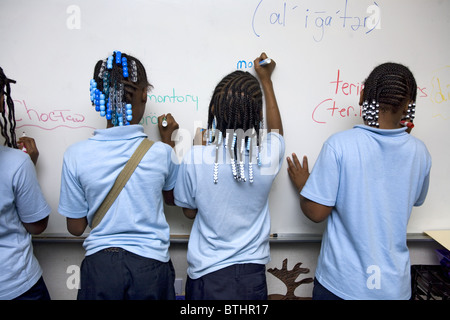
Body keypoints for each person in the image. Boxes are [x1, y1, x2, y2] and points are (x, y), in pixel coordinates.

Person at [287, 62, 432, 300]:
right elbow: (413, 199)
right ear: (409, 105)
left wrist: (306, 185)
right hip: (393, 287)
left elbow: (316, 212)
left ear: (362, 94)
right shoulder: (420, 152)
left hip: (342, 284)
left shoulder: (340, 145)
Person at [58, 51, 179, 300]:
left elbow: (76, 227)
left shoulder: (75, 155)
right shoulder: (161, 154)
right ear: (144, 94)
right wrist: (168, 142)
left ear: (97, 98)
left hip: (100, 270)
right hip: (151, 267)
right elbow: (172, 198)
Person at [174, 52, 285, 300]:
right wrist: (266, 81)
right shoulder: (266, 157)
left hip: (206, 276)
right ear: (257, 116)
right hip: (251, 277)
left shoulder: (195, 157)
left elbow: (189, 212)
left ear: (214, 109)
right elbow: (277, 133)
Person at [0, 67, 51, 300]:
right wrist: (28, 167)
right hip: (16, 284)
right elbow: (37, 225)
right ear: (1, 103)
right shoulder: (16, 163)